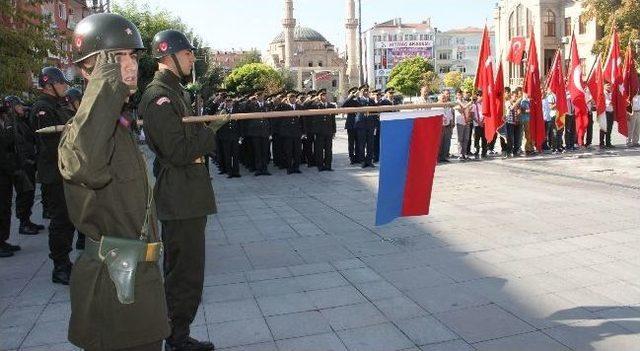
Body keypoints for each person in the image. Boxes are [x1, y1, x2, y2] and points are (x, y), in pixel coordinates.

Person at [58, 13, 170, 351]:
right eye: (115, 58)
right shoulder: (82, 132)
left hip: (139, 284)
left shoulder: (117, 126)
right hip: (113, 288)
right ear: (87, 70)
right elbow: (86, 167)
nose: (129, 65)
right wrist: (108, 85)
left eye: (133, 55)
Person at [140, 29, 228, 351]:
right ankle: (176, 339)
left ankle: (178, 333)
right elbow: (177, 151)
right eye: (188, 53)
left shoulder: (175, 92)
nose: (193, 58)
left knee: (187, 270)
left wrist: (199, 137)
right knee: (184, 273)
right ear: (169, 55)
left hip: (188, 194)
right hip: (180, 197)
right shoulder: (159, 97)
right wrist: (208, 132)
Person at [31, 66, 76, 284]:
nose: (65, 86)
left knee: (68, 219)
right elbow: (51, 144)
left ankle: (65, 261)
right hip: (54, 173)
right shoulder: (42, 108)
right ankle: (60, 266)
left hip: (65, 171)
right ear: (49, 85)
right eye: (61, 83)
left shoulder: (59, 105)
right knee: (60, 220)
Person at [4, 96, 42, 235]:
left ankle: (27, 220)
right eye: (19, 106)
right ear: (12, 107)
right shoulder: (12, 123)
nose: (22, 108)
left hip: (28, 163)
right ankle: (23, 223)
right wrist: (25, 161)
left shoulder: (21, 121)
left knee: (29, 192)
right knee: (24, 194)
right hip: (22, 165)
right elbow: (19, 145)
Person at [0, 104, 23, 257]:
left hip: (6, 172)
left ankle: (2, 240)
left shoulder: (5, 122)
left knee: (5, 207)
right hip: (2, 171)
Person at [245, 90, 272, 176]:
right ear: (256, 97)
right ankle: (258, 169)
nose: (260, 97)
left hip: (265, 131)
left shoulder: (268, 105)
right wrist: (249, 100)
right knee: (257, 151)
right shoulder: (251, 105)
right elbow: (245, 110)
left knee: (264, 151)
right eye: (258, 96)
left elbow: (270, 118)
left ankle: (265, 168)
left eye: (261, 96)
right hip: (255, 132)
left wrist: (270, 131)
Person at [309, 89, 337, 171]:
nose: (324, 96)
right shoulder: (315, 105)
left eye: (325, 95)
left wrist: (334, 130)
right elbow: (305, 106)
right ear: (319, 96)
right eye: (322, 95)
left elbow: (333, 119)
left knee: (328, 149)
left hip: (328, 130)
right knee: (319, 149)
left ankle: (328, 165)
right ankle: (320, 166)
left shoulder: (331, 106)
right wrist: (313, 99)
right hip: (319, 131)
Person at [278, 91, 304, 174]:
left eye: (294, 98)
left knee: (297, 151)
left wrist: (303, 131)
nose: (292, 99)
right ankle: (289, 167)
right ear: (287, 99)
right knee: (288, 151)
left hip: (297, 132)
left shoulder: (299, 106)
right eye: (290, 98)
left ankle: (296, 167)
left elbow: (303, 120)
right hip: (287, 132)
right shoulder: (283, 106)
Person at [217, 93, 242, 178]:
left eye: (230, 102)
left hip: (235, 135)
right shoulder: (222, 111)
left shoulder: (236, 110)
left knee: (236, 154)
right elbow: (218, 124)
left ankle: (236, 171)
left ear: (232, 102)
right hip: (225, 136)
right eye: (227, 102)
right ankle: (229, 172)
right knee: (227, 155)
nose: (229, 103)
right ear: (225, 103)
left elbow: (240, 124)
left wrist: (240, 135)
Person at [355, 84, 375, 168]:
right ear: (361, 92)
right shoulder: (357, 100)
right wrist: (354, 94)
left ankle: (369, 161)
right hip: (361, 125)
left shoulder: (371, 101)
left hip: (370, 125)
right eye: (364, 91)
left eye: (367, 90)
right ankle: (362, 161)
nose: (366, 92)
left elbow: (375, 111)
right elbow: (346, 104)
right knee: (361, 144)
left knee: (370, 144)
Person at [342, 87, 359, 164]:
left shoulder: (359, 100)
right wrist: (351, 96)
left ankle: (358, 157)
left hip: (359, 123)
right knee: (351, 142)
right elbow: (343, 105)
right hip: (351, 124)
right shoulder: (349, 101)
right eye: (353, 93)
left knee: (359, 142)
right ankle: (351, 157)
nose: (355, 94)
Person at [438, 90, 454, 163]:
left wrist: (451, 123)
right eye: (442, 98)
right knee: (440, 143)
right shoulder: (436, 106)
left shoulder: (447, 106)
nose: (444, 99)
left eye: (444, 98)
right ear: (439, 99)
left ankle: (444, 157)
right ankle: (438, 157)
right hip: (440, 127)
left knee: (446, 142)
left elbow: (450, 116)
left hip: (447, 126)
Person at [454, 90, 471, 160]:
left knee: (466, 138)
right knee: (460, 139)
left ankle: (464, 153)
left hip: (466, 122)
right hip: (460, 122)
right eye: (458, 94)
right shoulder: (455, 102)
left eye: (461, 94)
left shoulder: (465, 102)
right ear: (456, 95)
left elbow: (468, 109)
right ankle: (460, 154)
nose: (460, 96)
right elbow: (462, 108)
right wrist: (469, 103)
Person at [600, 83, 615, 149]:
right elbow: (604, 101)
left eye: (610, 85)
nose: (609, 86)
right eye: (607, 85)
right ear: (604, 86)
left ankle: (608, 143)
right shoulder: (602, 93)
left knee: (609, 128)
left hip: (611, 112)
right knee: (603, 128)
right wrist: (610, 102)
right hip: (604, 112)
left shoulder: (611, 93)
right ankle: (601, 143)